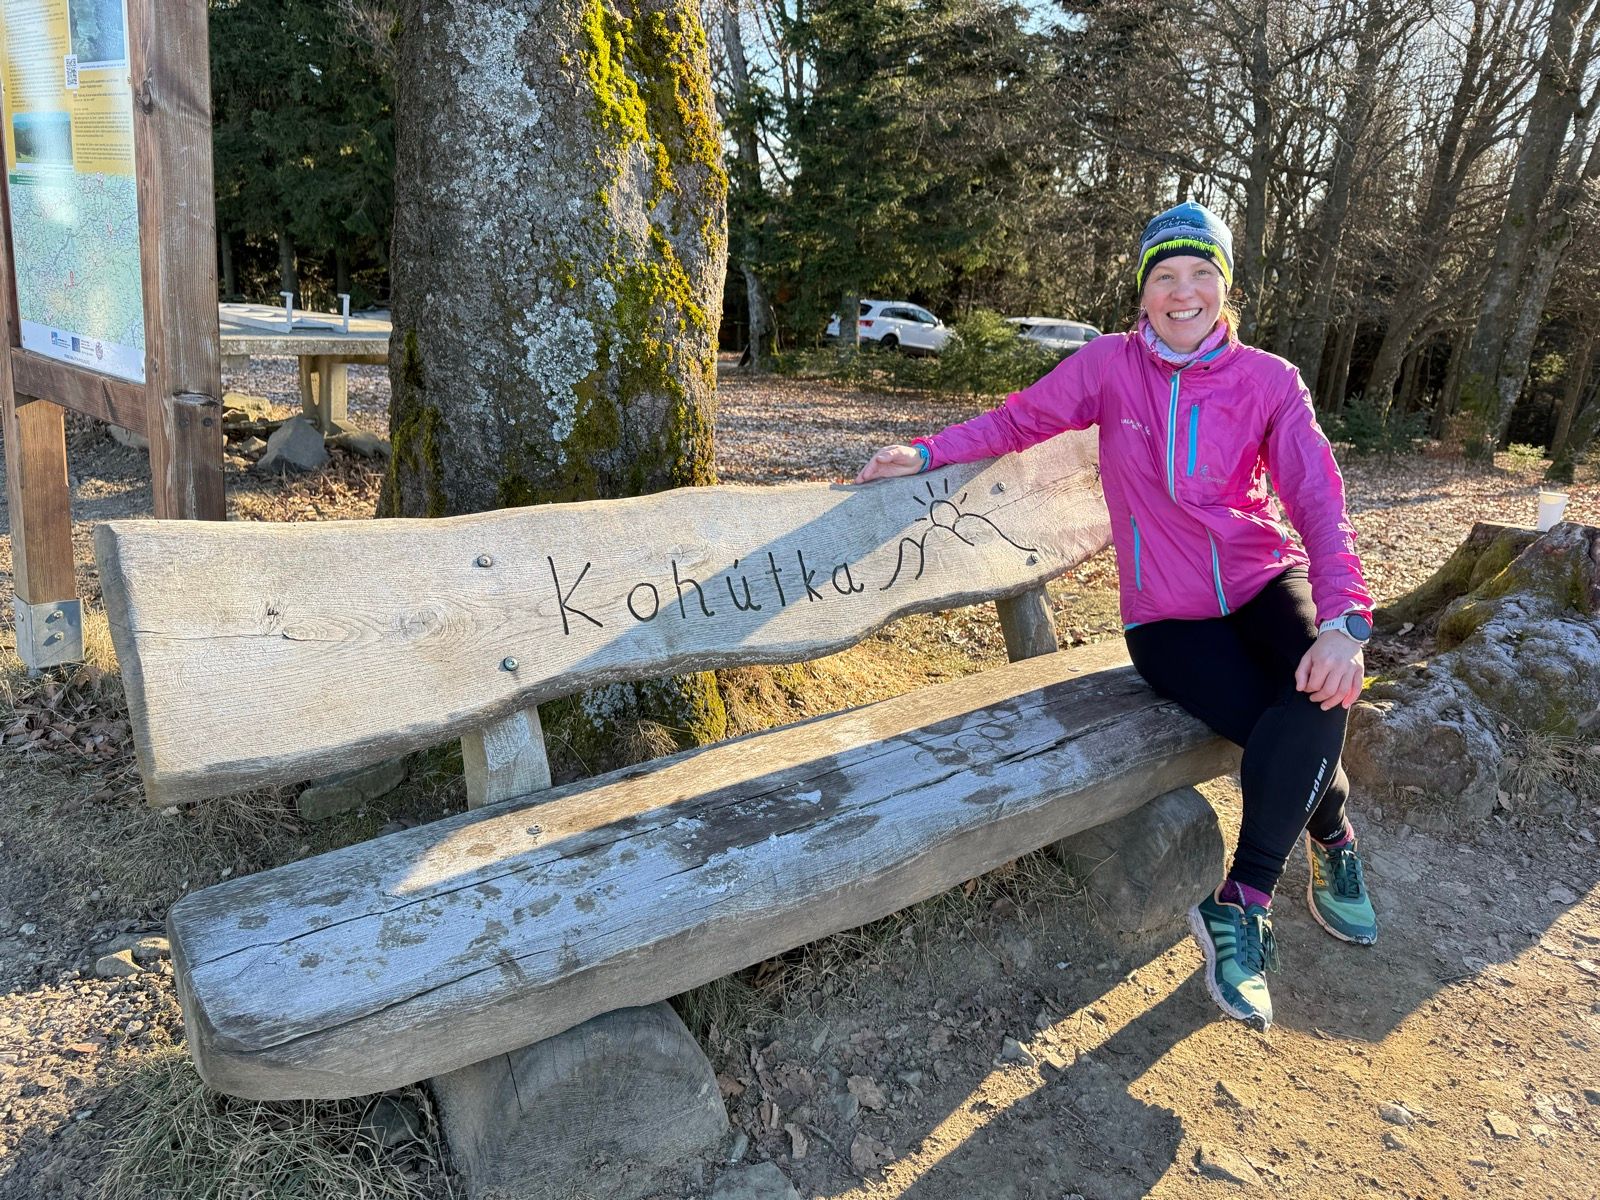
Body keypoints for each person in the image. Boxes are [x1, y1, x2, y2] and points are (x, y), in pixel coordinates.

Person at [854, 201, 1378, 1030]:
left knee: (1322, 683)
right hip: (1166, 619)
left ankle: (1242, 899)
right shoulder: (1108, 367)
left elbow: (1318, 499)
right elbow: (1020, 418)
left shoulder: (1270, 381)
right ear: (1142, 292)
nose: (1183, 291)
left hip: (1263, 580)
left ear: (1225, 287)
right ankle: (1334, 837)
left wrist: (1346, 621)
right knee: (1283, 726)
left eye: (1201, 273)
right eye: (1165, 275)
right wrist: (925, 451)